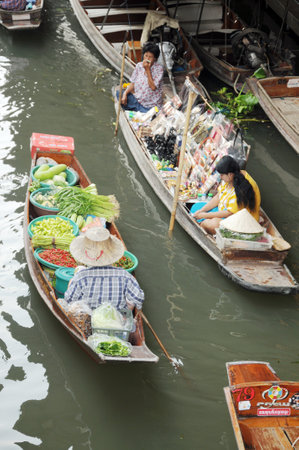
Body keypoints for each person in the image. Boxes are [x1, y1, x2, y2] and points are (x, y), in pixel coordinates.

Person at [64, 227, 144, 311]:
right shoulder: (125, 276)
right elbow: (138, 298)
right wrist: (128, 310)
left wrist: (71, 283)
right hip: (117, 321)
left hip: (88, 320)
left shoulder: (81, 277)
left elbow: (69, 300)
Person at [192, 155, 261, 235]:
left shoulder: (242, 189)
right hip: (224, 211)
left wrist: (205, 215)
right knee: (195, 207)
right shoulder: (230, 177)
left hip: (240, 222)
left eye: (221, 175)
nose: (220, 177)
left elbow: (229, 213)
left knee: (211, 224)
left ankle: (202, 225)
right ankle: (203, 222)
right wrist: (202, 211)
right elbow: (218, 196)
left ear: (230, 175)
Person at [120, 41, 164, 112]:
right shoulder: (139, 65)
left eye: (150, 57)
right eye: (146, 56)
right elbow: (133, 83)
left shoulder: (159, 69)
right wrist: (125, 94)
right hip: (138, 99)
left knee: (151, 112)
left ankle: (140, 109)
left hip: (151, 105)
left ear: (155, 58)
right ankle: (138, 108)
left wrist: (147, 70)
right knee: (120, 94)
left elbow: (153, 87)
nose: (147, 59)